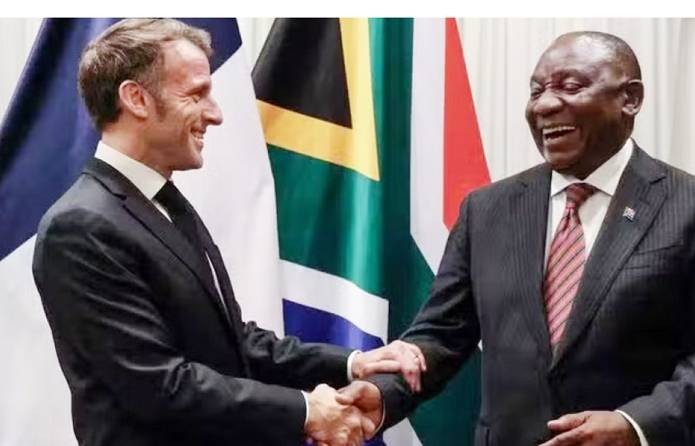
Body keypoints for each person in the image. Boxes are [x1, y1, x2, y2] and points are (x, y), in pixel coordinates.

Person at [361, 31, 695, 445]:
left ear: (630, 98)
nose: (545, 105)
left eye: (570, 87)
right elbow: (442, 335)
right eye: (536, 91)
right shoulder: (485, 210)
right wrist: (381, 396)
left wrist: (635, 425)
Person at [32, 18, 423, 446]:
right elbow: (159, 385)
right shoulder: (80, 227)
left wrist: (354, 363)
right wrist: (307, 411)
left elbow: (235, 342)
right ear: (136, 98)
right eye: (196, 94)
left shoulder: (165, 203)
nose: (215, 114)